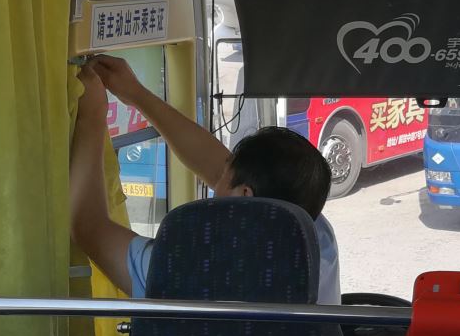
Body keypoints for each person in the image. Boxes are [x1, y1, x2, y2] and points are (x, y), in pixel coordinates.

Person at [68, 55, 342, 303]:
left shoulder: (184, 262)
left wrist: (92, 115)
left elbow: (88, 227)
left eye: (223, 176)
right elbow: (214, 163)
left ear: (245, 196)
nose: (215, 180)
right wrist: (136, 94)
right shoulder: (317, 240)